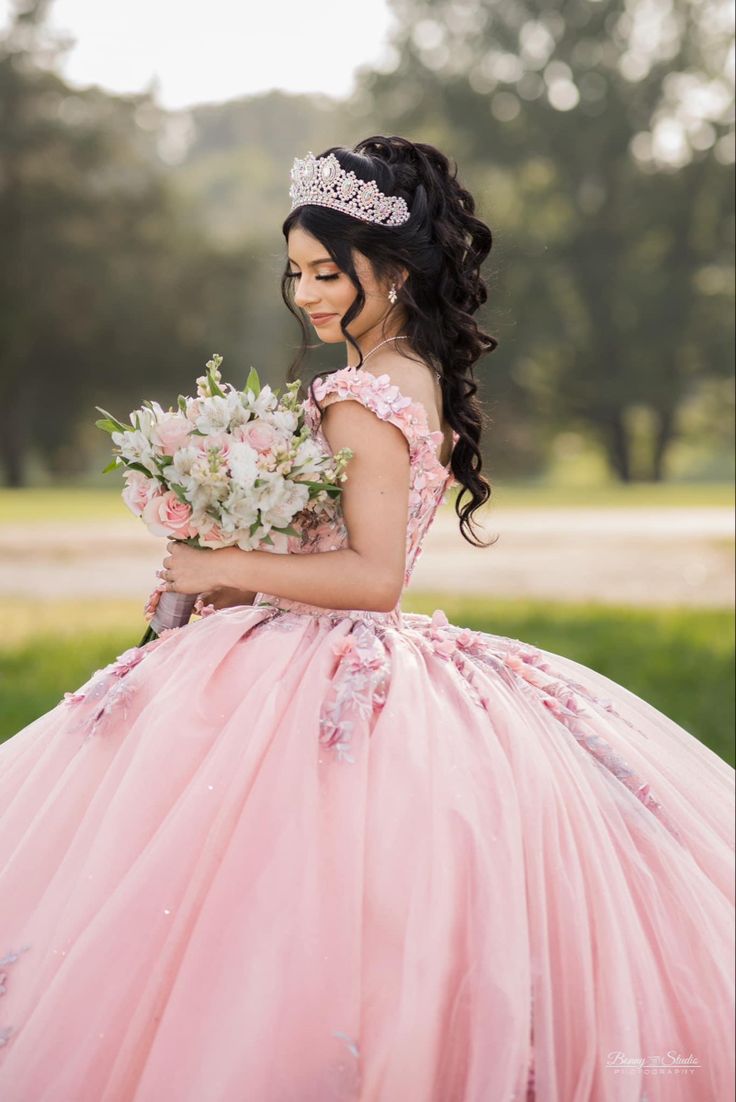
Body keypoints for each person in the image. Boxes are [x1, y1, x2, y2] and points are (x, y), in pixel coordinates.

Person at [0, 135, 733, 1102]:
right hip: (319, 636)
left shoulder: (359, 396)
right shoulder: (407, 370)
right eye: (295, 271)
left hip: (333, 654)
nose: (306, 294)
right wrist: (236, 573)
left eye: (327, 272)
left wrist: (223, 561)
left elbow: (375, 575)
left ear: (390, 269)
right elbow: (335, 553)